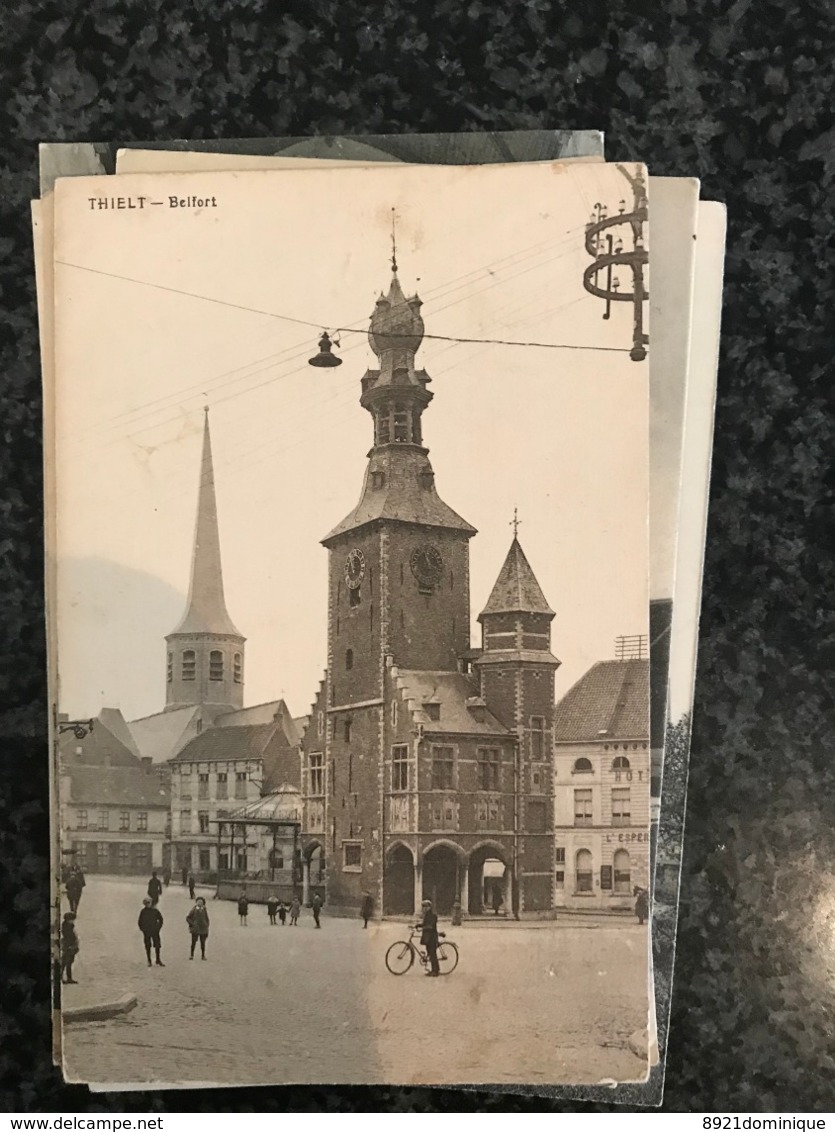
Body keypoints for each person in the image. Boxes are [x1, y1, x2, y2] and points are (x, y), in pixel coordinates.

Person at [138, 897, 165, 967]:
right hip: (147, 932)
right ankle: (149, 960)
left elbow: (161, 919)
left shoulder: (155, 911)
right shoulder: (143, 912)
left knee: (157, 945)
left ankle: (158, 959)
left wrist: (158, 928)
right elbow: (140, 921)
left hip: (155, 931)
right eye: (146, 903)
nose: (148, 904)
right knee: (148, 945)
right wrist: (143, 929)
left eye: (149, 903)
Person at [417, 899, 440, 977]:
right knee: (430, 953)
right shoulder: (427, 915)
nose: (424, 908)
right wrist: (418, 925)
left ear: (430, 907)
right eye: (423, 907)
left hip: (432, 937)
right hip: (428, 937)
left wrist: (423, 928)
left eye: (426, 906)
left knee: (432, 953)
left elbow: (431, 926)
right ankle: (435, 969)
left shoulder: (433, 915)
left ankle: (435, 971)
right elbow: (425, 923)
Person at [61, 912, 79, 984]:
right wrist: (71, 946)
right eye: (72, 919)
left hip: (69, 947)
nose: (73, 921)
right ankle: (66, 978)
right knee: (66, 963)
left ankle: (68, 977)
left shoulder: (68, 926)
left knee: (67, 963)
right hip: (69, 947)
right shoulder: (67, 928)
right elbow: (69, 937)